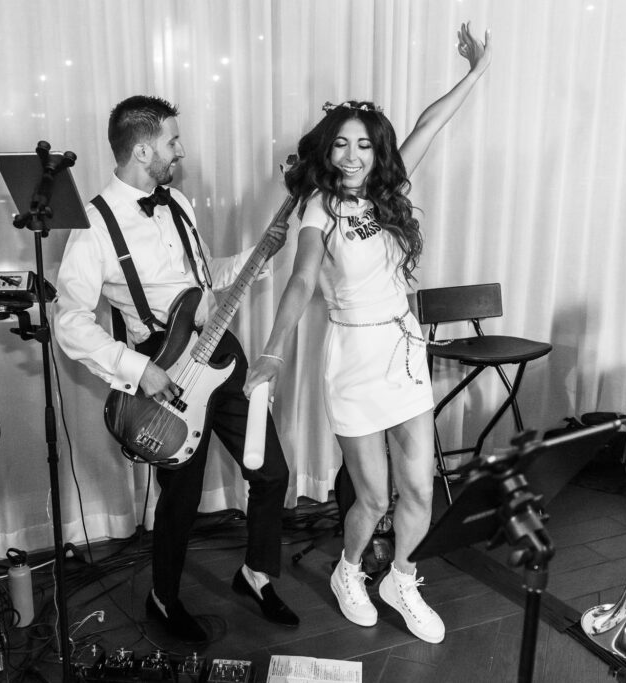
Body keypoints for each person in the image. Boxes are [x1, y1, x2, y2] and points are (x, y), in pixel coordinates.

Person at [243, 23, 492, 643]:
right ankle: (349, 570)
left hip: (403, 350)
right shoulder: (317, 210)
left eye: (364, 146)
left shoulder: (389, 196)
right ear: (326, 152)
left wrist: (478, 71)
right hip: (353, 356)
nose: (352, 157)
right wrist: (271, 351)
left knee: (419, 490)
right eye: (341, 146)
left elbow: (430, 125)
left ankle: (401, 578)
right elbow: (300, 282)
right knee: (374, 498)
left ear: (377, 153)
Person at [53, 95, 298, 644]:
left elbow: (209, 285)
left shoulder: (179, 203)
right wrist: (137, 369)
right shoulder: (94, 224)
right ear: (142, 149)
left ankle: (255, 573)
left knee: (272, 472)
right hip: (163, 377)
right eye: (172, 142)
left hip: (222, 356)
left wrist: (264, 251)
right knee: (181, 503)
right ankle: (163, 596)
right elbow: (68, 320)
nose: (180, 151)